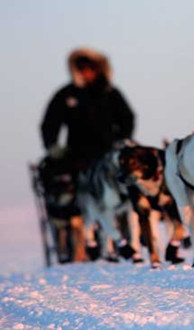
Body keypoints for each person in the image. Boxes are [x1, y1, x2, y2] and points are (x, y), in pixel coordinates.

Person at [40, 47, 136, 262]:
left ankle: (121, 241)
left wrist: (123, 139)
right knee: (73, 193)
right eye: (82, 69)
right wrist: (52, 146)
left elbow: (127, 118)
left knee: (119, 191)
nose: (87, 73)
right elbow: (50, 122)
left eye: (90, 69)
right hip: (77, 155)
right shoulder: (67, 94)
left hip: (107, 154)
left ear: (98, 69)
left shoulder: (110, 93)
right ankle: (77, 242)